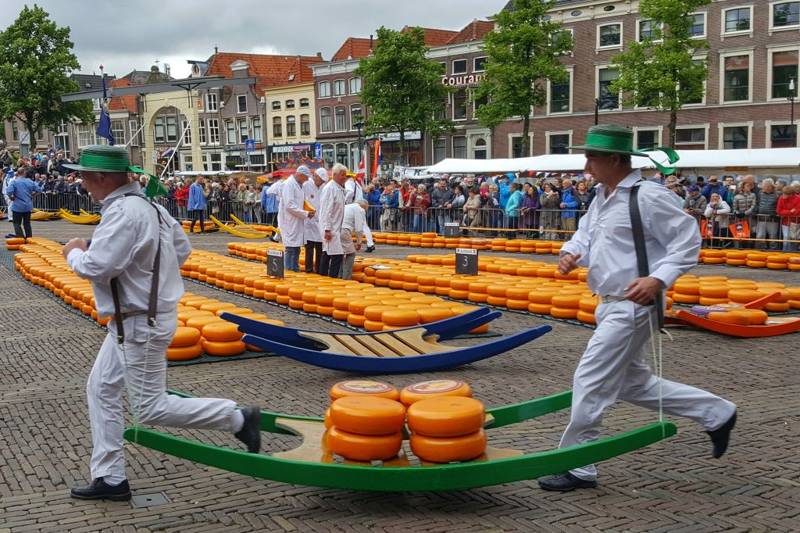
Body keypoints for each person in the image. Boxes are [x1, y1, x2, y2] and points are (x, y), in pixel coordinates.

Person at [537, 125, 736, 493]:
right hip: (608, 303)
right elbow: (586, 232)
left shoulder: (648, 196)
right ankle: (717, 413)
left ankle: (578, 464)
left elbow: (688, 239)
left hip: (633, 305)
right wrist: (571, 252)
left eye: (592, 156)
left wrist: (658, 279)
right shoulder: (601, 195)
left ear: (614, 159)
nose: (586, 164)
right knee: (633, 384)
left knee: (590, 378)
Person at [61, 146, 260, 502]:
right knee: (101, 388)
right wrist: (145, 267)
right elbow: (181, 249)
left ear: (103, 178)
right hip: (134, 321)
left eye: (86, 177)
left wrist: (73, 251)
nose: (83, 184)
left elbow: (96, 267)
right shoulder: (152, 208)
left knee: (151, 407)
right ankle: (109, 477)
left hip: (139, 323)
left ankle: (237, 418)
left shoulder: (124, 213)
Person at [278, 166, 315, 272]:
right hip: (289, 221)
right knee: (290, 248)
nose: (307, 180)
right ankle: (289, 270)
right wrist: (305, 213)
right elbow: (289, 205)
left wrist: (306, 211)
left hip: (297, 220)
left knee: (296, 247)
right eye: (306, 177)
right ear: (300, 175)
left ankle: (295, 269)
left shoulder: (299, 185)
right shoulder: (289, 185)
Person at [319, 163, 347, 277]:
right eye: (342, 175)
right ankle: (330, 278)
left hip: (335, 227)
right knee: (336, 254)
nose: (344, 177)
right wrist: (327, 229)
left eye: (345, 175)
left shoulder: (338, 189)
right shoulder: (330, 188)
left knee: (328, 253)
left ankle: (324, 277)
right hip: (330, 228)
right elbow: (327, 210)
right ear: (335, 175)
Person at [7, 167, 42, 240]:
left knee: (16, 223)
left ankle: (20, 238)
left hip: (17, 206)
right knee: (27, 223)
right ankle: (29, 238)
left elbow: (9, 191)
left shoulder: (14, 182)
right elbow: (39, 189)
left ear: (18, 173)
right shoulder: (30, 181)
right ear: (24, 173)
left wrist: (11, 197)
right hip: (28, 206)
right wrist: (33, 195)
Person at [344, 173, 375, 252]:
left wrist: (344, 201)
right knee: (364, 225)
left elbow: (350, 192)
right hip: (359, 205)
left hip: (354, 206)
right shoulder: (356, 183)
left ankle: (349, 244)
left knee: (347, 225)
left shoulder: (348, 183)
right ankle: (370, 244)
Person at [303, 168, 325, 273]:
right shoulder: (307, 185)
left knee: (320, 248)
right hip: (309, 221)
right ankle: (309, 269)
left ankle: (319, 269)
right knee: (309, 248)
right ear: (316, 177)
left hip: (321, 222)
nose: (320, 182)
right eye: (320, 179)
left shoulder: (325, 187)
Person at [341, 200, 367, 280]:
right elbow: (359, 228)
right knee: (351, 254)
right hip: (344, 230)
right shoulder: (359, 209)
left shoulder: (347, 206)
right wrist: (359, 242)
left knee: (339, 253)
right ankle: (346, 278)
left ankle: (338, 275)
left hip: (335, 229)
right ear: (363, 207)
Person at [754, 179, 780, 250]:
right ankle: (760, 250)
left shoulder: (777, 194)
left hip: (773, 219)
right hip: (761, 218)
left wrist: (775, 212)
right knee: (760, 236)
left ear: (771, 187)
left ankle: (773, 251)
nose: (764, 188)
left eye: (766, 186)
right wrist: (755, 210)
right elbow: (757, 203)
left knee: (773, 237)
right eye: (764, 186)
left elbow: (779, 206)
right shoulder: (760, 193)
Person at [776, 182, 800, 252]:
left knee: (794, 239)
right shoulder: (781, 198)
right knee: (786, 238)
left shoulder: (798, 199)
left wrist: (786, 212)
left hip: (795, 222)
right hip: (785, 222)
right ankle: (785, 252)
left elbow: (797, 212)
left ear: (791, 195)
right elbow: (779, 211)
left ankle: (793, 252)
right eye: (783, 193)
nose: (783, 195)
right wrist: (790, 212)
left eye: (785, 194)